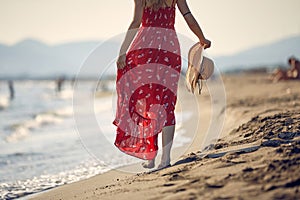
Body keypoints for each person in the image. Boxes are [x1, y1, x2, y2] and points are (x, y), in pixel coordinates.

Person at [113, 0, 211, 170]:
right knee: (166, 103)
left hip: (144, 48)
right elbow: (188, 17)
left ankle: (150, 154)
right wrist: (202, 38)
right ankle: (165, 159)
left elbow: (136, 22)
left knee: (147, 102)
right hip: (169, 47)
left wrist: (123, 51)